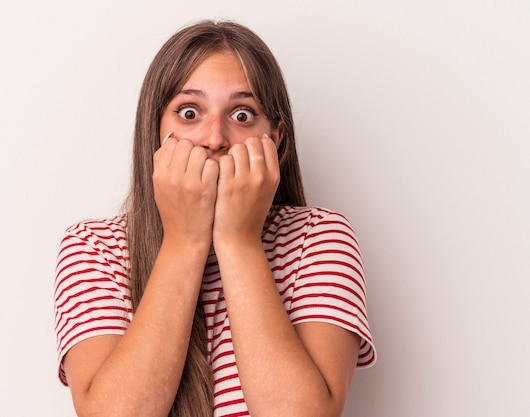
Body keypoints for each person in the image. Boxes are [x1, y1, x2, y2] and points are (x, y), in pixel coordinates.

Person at [54, 20, 376, 417]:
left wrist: (238, 240)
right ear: (155, 133)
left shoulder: (319, 237)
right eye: (189, 112)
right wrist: (184, 240)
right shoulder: (94, 248)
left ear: (275, 139)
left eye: (242, 115)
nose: (214, 138)